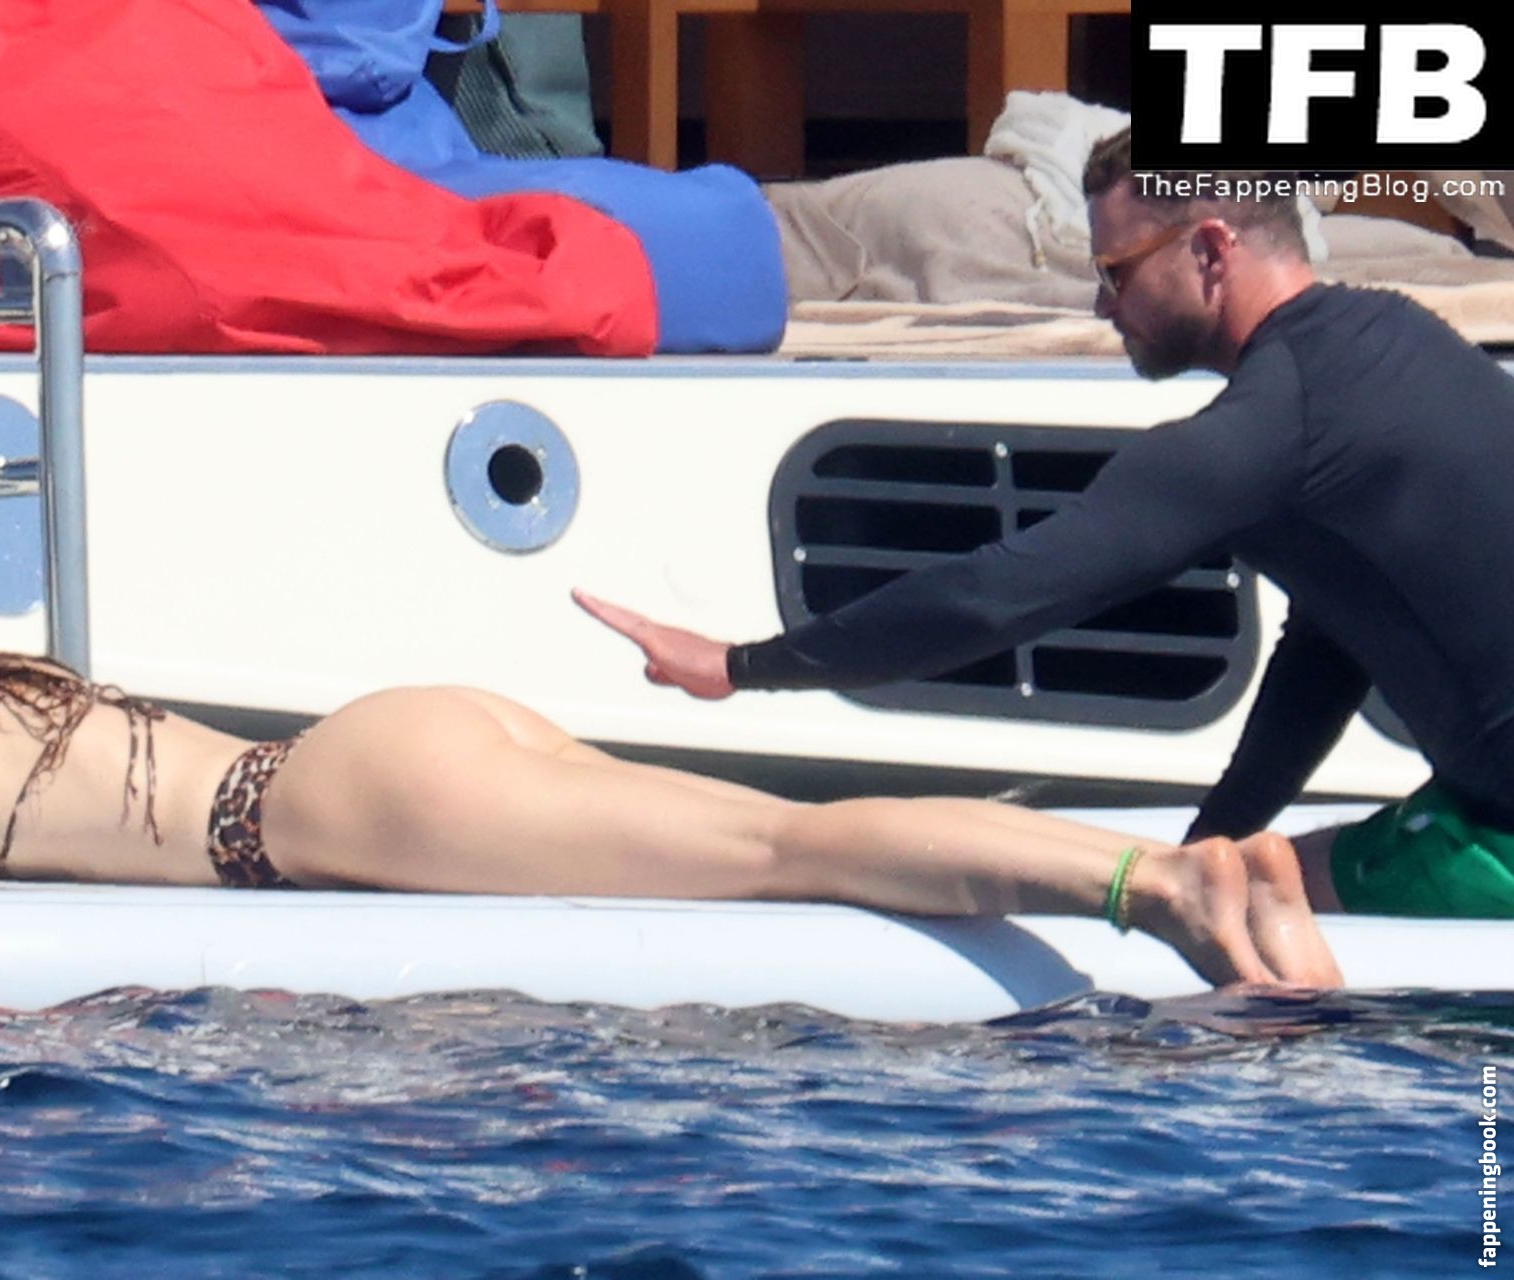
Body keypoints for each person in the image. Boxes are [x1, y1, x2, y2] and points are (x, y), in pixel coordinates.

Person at [0, 510, 1341, 990]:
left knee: (779, 849)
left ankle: (1161, 884)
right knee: (765, 829)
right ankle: (1166, 866)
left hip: (340, 803)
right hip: (380, 750)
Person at [578, 126, 1514, 922]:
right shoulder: (1397, 338)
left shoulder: (1269, 427)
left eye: (1116, 272)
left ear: (1211, 251)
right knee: (1238, 884)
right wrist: (1212, 843)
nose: (1103, 306)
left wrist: (739, 667)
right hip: (1485, 802)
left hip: (1499, 840)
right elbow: (1332, 648)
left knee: (1254, 925)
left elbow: (997, 595)